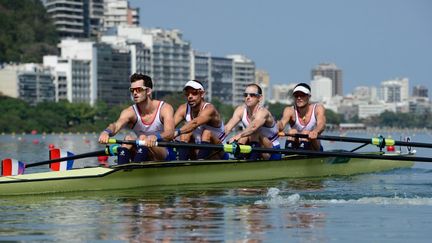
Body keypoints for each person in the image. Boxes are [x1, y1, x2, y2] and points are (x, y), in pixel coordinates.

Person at [98, 73, 176, 163]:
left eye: (139, 90)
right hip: (142, 149)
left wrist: (155, 137)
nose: (135, 93)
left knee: (143, 138)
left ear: (148, 91)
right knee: (128, 139)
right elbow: (116, 125)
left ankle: (133, 169)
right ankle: (123, 169)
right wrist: (106, 132)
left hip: (165, 153)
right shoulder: (129, 112)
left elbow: (170, 133)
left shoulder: (165, 108)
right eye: (132, 90)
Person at [173, 80, 228, 160]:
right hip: (197, 149)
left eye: (194, 93)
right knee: (185, 134)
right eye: (187, 94)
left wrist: (176, 132)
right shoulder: (183, 108)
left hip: (218, 152)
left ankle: (199, 164)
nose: (190, 96)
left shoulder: (209, 109)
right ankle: (181, 164)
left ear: (202, 94)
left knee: (207, 133)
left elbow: (194, 123)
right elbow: (169, 127)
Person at [224, 83, 281, 160]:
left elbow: (253, 127)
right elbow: (227, 128)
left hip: (272, 150)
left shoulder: (263, 112)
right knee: (244, 136)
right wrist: (220, 141)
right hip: (255, 146)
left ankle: (250, 159)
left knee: (253, 132)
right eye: (246, 95)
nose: (248, 97)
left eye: (252, 95)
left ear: (260, 98)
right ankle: (241, 157)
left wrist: (238, 136)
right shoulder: (240, 110)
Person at [278, 83, 326, 151]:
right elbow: (282, 123)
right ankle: (288, 156)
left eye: (302, 95)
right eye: (296, 95)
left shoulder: (318, 108)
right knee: (292, 132)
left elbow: (322, 124)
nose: (299, 98)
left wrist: (315, 131)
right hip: (296, 143)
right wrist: (278, 126)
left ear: (309, 96)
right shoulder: (289, 110)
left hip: (314, 147)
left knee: (305, 133)